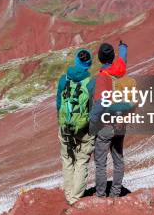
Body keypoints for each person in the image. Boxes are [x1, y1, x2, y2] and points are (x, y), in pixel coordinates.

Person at [90, 40, 134, 197]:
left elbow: (101, 103)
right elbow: (123, 58)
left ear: (100, 59)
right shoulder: (120, 70)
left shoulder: (102, 78)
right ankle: (115, 193)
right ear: (113, 56)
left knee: (101, 162)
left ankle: (101, 195)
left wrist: (93, 120)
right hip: (121, 123)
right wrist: (123, 47)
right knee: (118, 159)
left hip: (106, 125)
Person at [56, 48, 96, 205]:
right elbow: (93, 109)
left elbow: (59, 104)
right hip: (83, 128)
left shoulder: (63, 80)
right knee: (81, 160)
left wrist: (61, 122)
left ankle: (68, 194)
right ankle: (75, 198)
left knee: (67, 158)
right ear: (89, 63)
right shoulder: (92, 83)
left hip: (65, 125)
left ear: (76, 61)